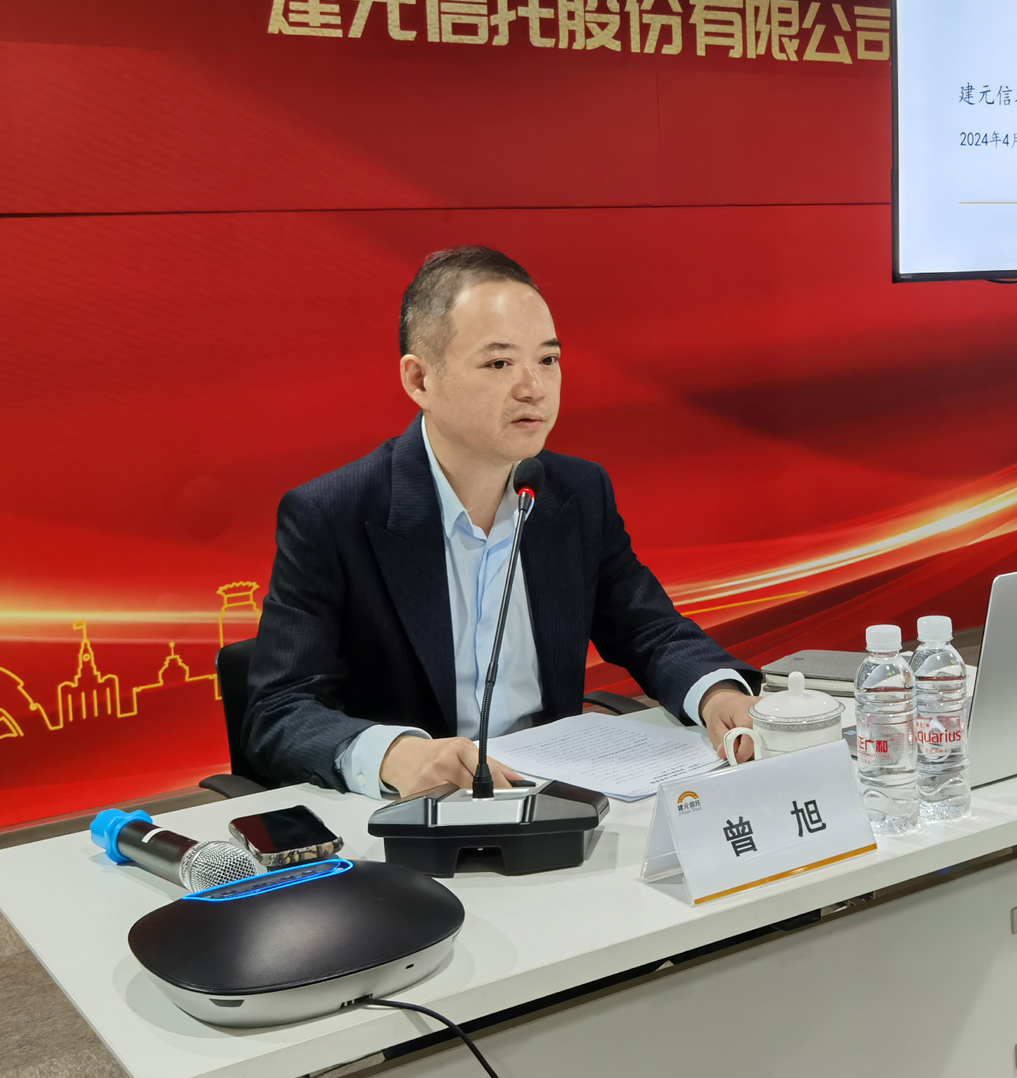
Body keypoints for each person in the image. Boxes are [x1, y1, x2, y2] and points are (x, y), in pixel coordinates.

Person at [246, 246, 762, 801]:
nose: (533, 387)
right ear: (419, 379)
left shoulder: (575, 493)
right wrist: (395, 754)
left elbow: (647, 629)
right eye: (499, 364)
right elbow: (279, 709)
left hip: (558, 799)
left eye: (548, 360)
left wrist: (716, 693)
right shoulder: (334, 513)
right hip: (417, 814)